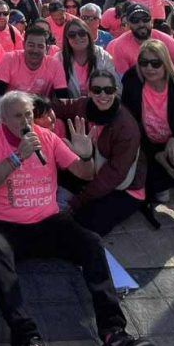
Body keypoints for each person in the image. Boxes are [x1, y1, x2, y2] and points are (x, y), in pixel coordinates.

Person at [0, 91, 158, 346]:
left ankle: (114, 336)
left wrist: (85, 152)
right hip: (6, 224)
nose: (26, 121)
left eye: (28, 114)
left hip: (48, 221)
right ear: (2, 119)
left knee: (92, 244)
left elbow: (84, 173)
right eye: (18, 116)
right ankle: (29, 344)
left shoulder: (45, 137)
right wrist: (16, 157)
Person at [121, 39, 174, 237]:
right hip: (148, 145)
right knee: (149, 186)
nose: (149, 68)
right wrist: (155, 152)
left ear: (165, 63)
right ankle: (160, 182)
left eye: (155, 63)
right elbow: (130, 122)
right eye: (143, 62)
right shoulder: (133, 83)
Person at [53, 70, 146, 236]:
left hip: (123, 187)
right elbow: (59, 106)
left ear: (116, 91)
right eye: (97, 90)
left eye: (108, 90)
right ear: (89, 92)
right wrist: (31, 109)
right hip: (93, 171)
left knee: (86, 222)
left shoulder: (126, 127)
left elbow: (114, 175)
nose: (103, 95)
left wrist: (78, 201)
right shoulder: (83, 105)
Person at [108, 4, 174, 93]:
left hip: (169, 94)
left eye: (145, 19)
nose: (141, 24)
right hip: (138, 96)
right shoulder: (120, 45)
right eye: (135, 20)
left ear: (152, 21)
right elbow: (124, 85)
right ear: (128, 24)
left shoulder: (165, 40)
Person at [0, 25, 68, 99]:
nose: (35, 50)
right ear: (23, 44)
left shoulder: (55, 65)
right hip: (11, 107)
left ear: (46, 48)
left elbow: (62, 98)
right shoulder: (9, 59)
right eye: (31, 45)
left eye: (40, 46)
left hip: (40, 108)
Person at [60, 16, 118, 98]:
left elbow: (116, 87)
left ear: (88, 34)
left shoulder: (103, 56)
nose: (77, 37)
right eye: (72, 35)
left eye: (82, 33)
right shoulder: (59, 60)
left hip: (101, 105)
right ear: (67, 38)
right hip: (71, 107)